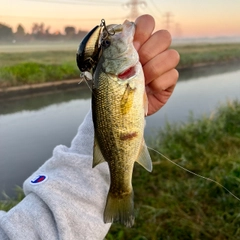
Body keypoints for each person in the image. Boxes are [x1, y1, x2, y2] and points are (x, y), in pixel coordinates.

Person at [0, 14, 179, 240]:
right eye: (106, 44)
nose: (111, 40)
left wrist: (138, 109)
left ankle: (120, 192)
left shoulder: (119, 72)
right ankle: (121, 193)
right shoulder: (116, 72)